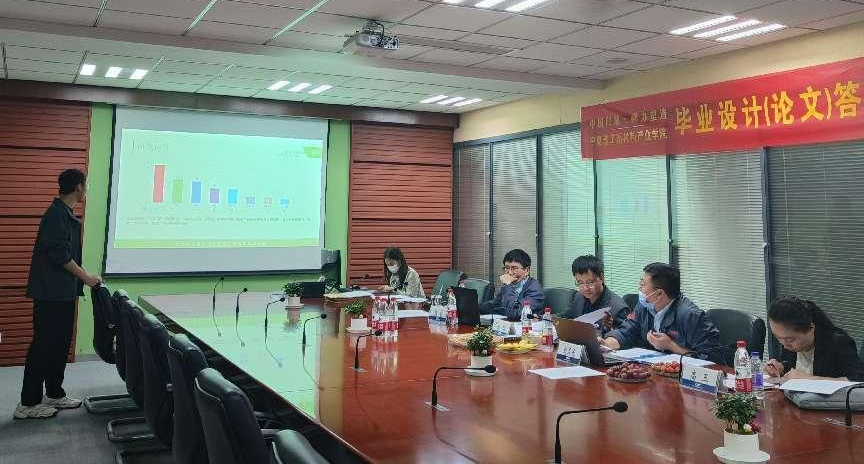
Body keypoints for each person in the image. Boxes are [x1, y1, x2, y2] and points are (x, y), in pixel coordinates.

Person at [15, 169, 102, 419]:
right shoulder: (55, 215)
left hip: (63, 293)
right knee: (43, 346)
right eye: (85, 185)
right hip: (50, 295)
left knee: (59, 346)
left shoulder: (65, 214)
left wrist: (83, 278)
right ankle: (28, 404)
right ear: (78, 188)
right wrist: (87, 278)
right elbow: (61, 256)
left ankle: (54, 392)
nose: (86, 190)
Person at [601, 262, 721, 363]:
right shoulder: (644, 306)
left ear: (659, 294)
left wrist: (671, 346)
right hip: (653, 372)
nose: (640, 289)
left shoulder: (690, 315)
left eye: (643, 285)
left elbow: (712, 359)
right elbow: (627, 331)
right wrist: (606, 344)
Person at [764, 297, 864, 382]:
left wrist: (809, 379)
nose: (784, 345)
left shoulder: (839, 344)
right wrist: (780, 368)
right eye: (778, 337)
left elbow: (858, 380)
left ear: (811, 328)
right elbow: (794, 367)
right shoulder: (789, 342)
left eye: (789, 340)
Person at [564, 255, 630, 332]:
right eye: (580, 283)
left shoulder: (618, 308)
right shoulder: (579, 296)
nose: (585, 288)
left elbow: (625, 335)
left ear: (601, 277)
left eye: (590, 282)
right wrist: (551, 318)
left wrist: (610, 329)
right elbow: (566, 316)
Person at [479, 249, 545, 320]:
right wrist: (473, 308)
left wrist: (508, 285)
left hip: (525, 326)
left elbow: (514, 314)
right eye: (507, 268)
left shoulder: (535, 289)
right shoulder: (510, 286)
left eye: (514, 268)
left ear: (527, 270)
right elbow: (494, 305)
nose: (510, 273)